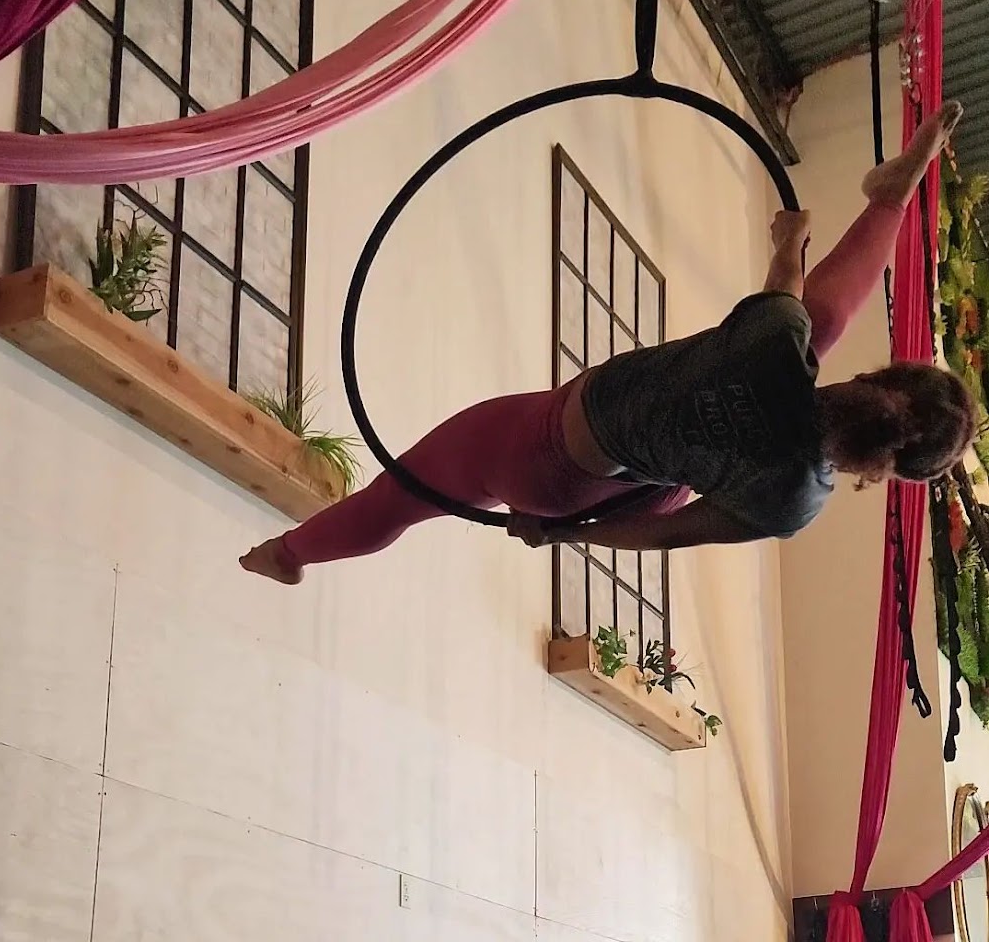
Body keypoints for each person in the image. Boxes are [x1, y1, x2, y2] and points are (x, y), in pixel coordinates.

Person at [241, 102, 975, 585]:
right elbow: (667, 536)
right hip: (639, 486)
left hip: (550, 448)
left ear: (879, 379)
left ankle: (290, 552)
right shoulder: (796, 503)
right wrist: (565, 533)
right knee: (763, 401)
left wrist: (790, 239)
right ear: (885, 469)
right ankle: (285, 557)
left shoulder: (779, 337)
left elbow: (789, 283)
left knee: (405, 494)